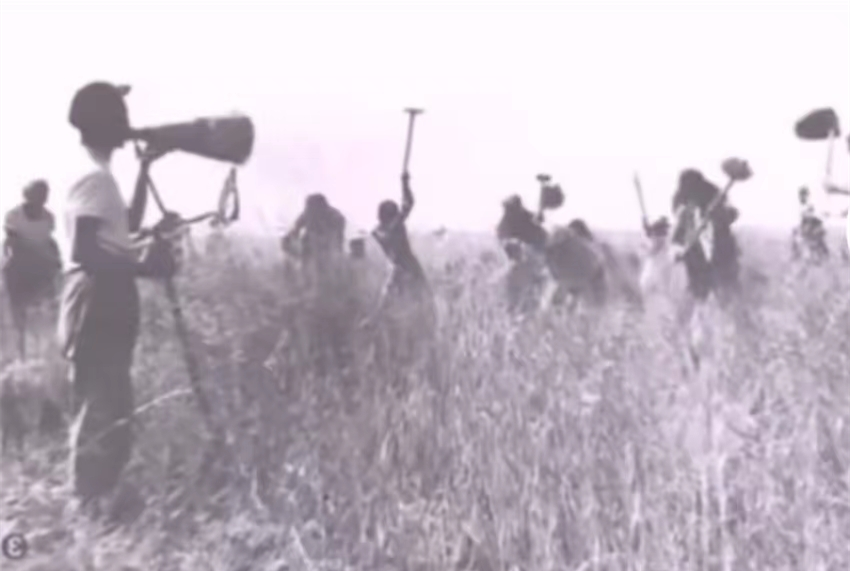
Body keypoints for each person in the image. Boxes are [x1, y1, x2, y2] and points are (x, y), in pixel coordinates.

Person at [57, 81, 176, 521]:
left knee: (111, 399)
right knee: (101, 404)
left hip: (103, 295)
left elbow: (126, 224)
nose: (128, 124)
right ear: (105, 122)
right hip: (98, 296)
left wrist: (143, 169)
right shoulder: (95, 178)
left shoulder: (99, 176)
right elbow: (86, 252)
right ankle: (88, 506)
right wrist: (143, 267)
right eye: (120, 116)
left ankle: (100, 499)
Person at [361, 172, 432, 329]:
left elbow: (408, 204)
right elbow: (409, 204)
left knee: (391, 299)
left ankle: (376, 321)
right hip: (405, 266)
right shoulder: (392, 227)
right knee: (419, 298)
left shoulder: (378, 231)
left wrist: (404, 184)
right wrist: (405, 183)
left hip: (399, 267)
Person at [2, 179, 62, 359]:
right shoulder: (14, 215)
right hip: (20, 266)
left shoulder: (48, 217)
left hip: (41, 267)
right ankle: (20, 353)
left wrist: (56, 259)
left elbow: (49, 241)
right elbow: (13, 244)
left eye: (44, 194)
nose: (42, 198)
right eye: (38, 194)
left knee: (47, 306)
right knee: (18, 312)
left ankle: (47, 349)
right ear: (28, 195)